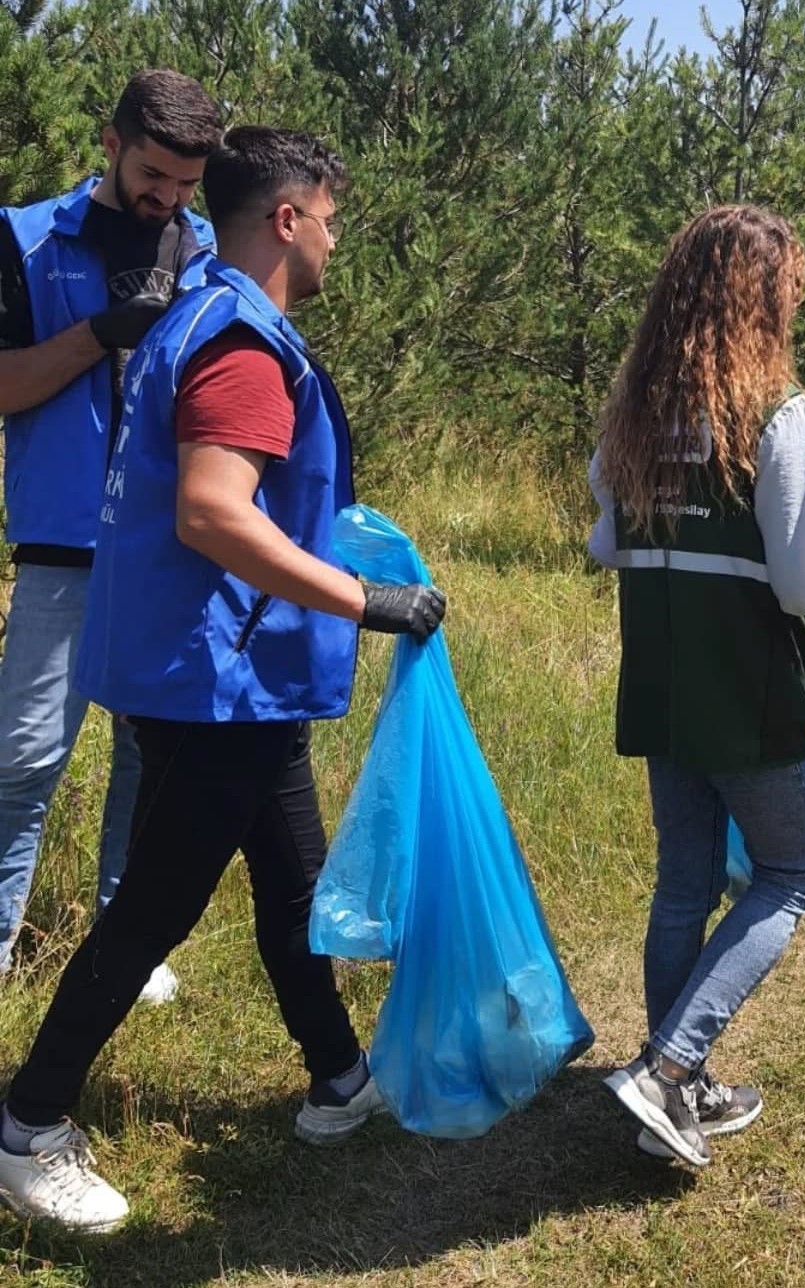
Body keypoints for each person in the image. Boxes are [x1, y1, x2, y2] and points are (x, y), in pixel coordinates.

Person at [0, 126, 446, 1233]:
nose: (339, 240)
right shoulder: (243, 341)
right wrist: (364, 600)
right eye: (332, 218)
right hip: (219, 673)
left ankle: (337, 1078)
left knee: (293, 875)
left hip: (231, 673)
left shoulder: (196, 309)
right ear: (288, 219)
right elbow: (211, 510)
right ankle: (26, 1126)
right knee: (154, 906)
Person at [588, 205, 805, 1168]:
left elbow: (605, 542)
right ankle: (667, 1072)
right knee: (790, 875)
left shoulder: (637, 416)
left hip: (664, 685)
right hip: (748, 691)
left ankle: (677, 1087)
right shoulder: (781, 416)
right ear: (765, 300)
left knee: (684, 885)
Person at [0, 69, 224, 998]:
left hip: (167, 544)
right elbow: (6, 386)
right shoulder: (25, 238)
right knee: (22, 759)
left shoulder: (206, 247)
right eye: (153, 173)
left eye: (185, 182)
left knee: (149, 758)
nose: (167, 197)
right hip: (61, 545)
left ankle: (125, 947)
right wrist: (104, 330)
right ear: (109, 140)